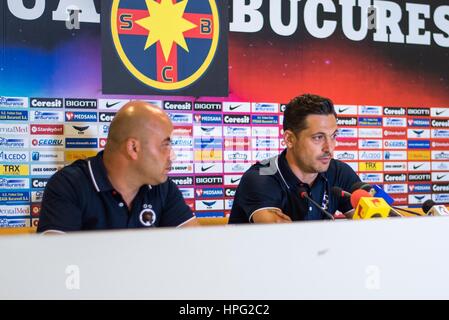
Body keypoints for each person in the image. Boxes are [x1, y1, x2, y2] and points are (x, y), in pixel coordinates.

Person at [37, 101, 200, 233]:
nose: (172, 156)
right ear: (133, 148)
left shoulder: (163, 188)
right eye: (165, 145)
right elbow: (54, 263)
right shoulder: (69, 186)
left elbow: (196, 249)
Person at [229, 94, 361, 224]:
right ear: (289, 139)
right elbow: (279, 237)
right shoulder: (261, 177)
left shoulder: (339, 172)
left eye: (333, 136)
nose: (329, 148)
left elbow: (371, 224)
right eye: (318, 137)